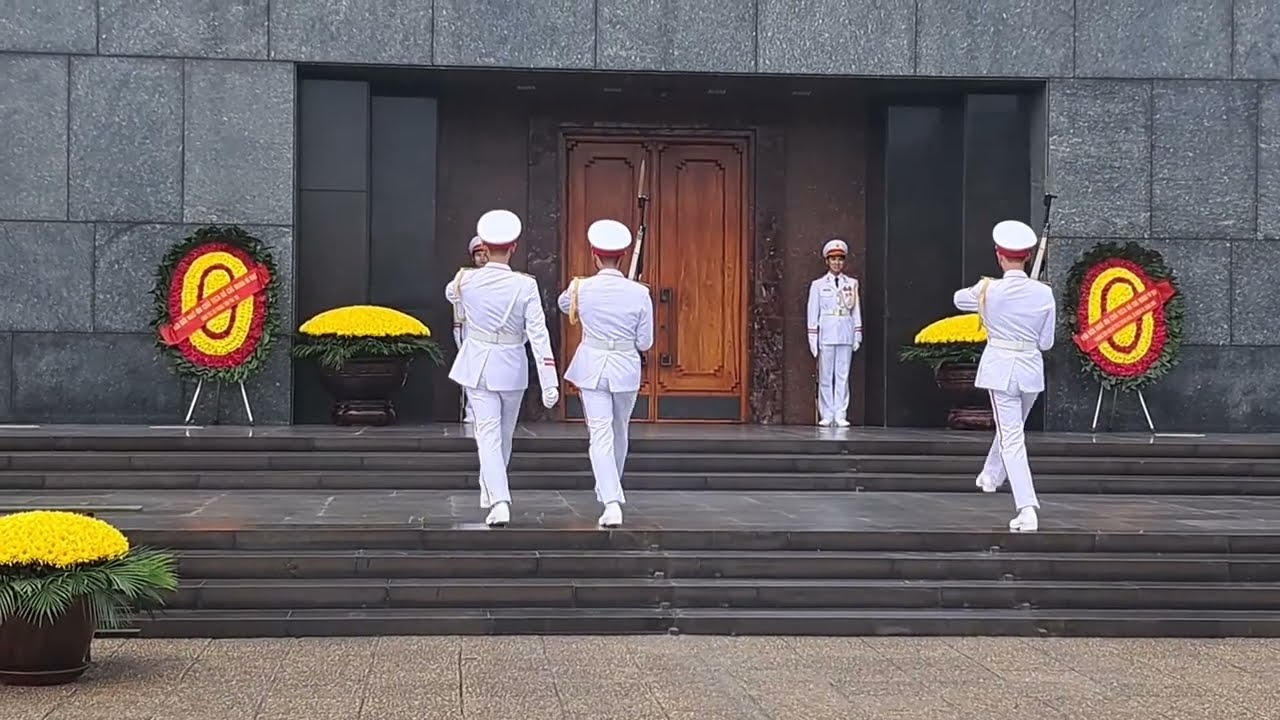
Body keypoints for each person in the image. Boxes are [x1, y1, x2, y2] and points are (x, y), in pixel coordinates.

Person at [445, 210, 559, 527]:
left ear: (486, 245)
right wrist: (549, 380)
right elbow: (539, 334)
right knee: (500, 437)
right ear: (513, 248)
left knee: (492, 437)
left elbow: (450, 293)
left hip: (479, 364)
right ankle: (499, 499)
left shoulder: (465, 279)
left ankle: (495, 496)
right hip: (511, 365)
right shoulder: (524, 286)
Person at [952, 220, 1056, 532]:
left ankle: (1027, 508)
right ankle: (991, 475)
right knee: (1012, 429)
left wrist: (987, 299)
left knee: (1012, 437)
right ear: (1027, 256)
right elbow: (1047, 342)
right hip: (1030, 369)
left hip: (1001, 369)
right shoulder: (1044, 294)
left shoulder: (987, 290)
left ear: (999, 256)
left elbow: (959, 299)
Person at [557, 219, 654, 528]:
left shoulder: (580, 287)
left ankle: (610, 498)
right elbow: (645, 342)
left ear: (595, 256)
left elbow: (563, 305)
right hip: (625, 366)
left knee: (600, 433)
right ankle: (611, 490)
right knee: (619, 431)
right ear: (623, 257)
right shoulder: (639, 293)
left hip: (594, 365)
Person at [806, 239, 863, 427]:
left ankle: (840, 413)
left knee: (842, 375)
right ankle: (827, 413)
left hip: (845, 330)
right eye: (833, 259)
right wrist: (812, 337)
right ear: (827, 262)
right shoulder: (818, 285)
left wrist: (857, 331)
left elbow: (855, 309)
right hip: (827, 331)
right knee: (825, 375)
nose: (837, 263)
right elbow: (812, 312)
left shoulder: (852, 283)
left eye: (840, 259)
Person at [452, 236, 489, 423]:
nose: (482, 258)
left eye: (485, 254)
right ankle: (471, 411)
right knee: (471, 373)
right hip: (471, 330)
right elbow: (454, 298)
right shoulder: (464, 278)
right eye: (478, 254)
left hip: (493, 333)